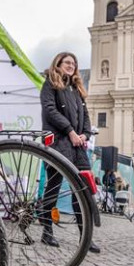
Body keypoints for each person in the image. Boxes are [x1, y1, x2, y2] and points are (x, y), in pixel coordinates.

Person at [40, 52, 100, 254]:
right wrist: (70, 131)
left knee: (84, 189)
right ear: (58, 63)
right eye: (67, 62)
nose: (71, 66)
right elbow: (50, 110)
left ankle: (86, 236)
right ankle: (47, 230)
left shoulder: (76, 89)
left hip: (78, 145)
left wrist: (85, 134)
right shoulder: (50, 84)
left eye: (74, 63)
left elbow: (86, 116)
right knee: (54, 186)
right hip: (59, 142)